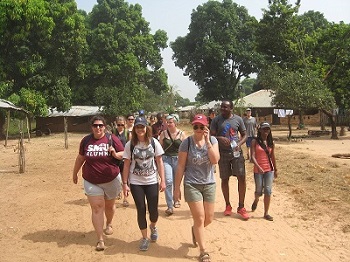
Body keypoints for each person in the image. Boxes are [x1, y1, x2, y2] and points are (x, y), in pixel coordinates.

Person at [72, 115, 124, 251]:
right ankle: (100, 239)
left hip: (111, 180)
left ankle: (109, 223)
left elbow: (124, 152)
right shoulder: (86, 141)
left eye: (101, 125)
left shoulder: (112, 139)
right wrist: (75, 173)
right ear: (92, 127)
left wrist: (114, 153)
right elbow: (80, 158)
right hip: (91, 180)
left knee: (109, 206)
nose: (98, 128)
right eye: (95, 125)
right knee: (97, 207)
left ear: (105, 127)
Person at [174, 114, 219, 262]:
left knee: (209, 218)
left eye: (202, 127)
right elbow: (180, 166)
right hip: (192, 184)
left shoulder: (212, 140)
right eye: (196, 127)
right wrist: (176, 188)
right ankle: (203, 251)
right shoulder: (186, 143)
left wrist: (207, 142)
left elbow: (215, 160)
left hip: (209, 183)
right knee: (199, 218)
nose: (198, 129)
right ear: (192, 127)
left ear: (206, 128)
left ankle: (195, 231)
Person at [122, 116, 166, 251]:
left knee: (153, 211)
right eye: (137, 127)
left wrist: (163, 180)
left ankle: (153, 226)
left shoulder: (153, 142)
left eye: (142, 126)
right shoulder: (130, 144)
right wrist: (124, 183)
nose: (140, 129)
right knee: (141, 209)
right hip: (136, 182)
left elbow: (159, 162)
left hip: (152, 180)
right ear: (134, 129)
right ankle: (144, 238)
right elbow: (127, 164)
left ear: (147, 128)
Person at [210, 100, 249, 220]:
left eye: (225, 107)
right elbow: (210, 136)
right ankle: (228, 205)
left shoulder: (238, 119)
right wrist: (219, 138)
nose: (223, 109)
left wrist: (240, 143)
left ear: (231, 108)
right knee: (224, 179)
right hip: (223, 153)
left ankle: (241, 207)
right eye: (222, 107)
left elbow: (245, 134)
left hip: (236, 153)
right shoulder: (216, 120)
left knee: (241, 177)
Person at [158, 114, 186, 216]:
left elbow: (186, 149)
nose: (168, 124)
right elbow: (159, 148)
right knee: (169, 181)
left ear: (176, 123)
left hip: (178, 160)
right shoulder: (163, 134)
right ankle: (170, 205)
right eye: (167, 122)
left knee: (177, 182)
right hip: (166, 160)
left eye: (171, 122)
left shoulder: (182, 134)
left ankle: (177, 199)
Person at [250, 122, 277, 221]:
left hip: (269, 170)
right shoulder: (255, 142)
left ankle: (266, 213)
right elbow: (252, 156)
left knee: (268, 191)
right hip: (258, 170)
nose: (266, 131)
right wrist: (258, 166)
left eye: (268, 129)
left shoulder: (271, 143)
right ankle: (256, 200)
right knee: (259, 190)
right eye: (264, 129)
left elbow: (272, 157)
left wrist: (276, 169)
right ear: (260, 130)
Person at [114, 116, 130, 207]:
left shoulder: (127, 133)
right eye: (118, 125)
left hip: (124, 158)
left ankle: (125, 198)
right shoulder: (113, 133)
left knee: (125, 179)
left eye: (122, 125)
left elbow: (130, 145)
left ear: (125, 124)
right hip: (115, 158)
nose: (120, 126)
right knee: (116, 177)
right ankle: (118, 191)